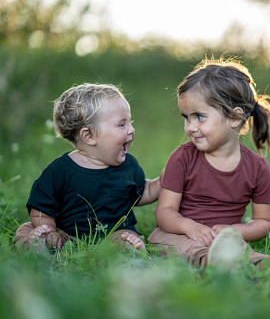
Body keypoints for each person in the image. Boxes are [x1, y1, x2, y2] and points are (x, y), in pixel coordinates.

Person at [148, 58, 270, 279]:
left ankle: (267, 266)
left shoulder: (256, 167)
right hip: (176, 235)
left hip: (224, 241)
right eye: (186, 118)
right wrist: (191, 228)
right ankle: (215, 264)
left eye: (199, 116)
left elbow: (264, 221)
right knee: (188, 249)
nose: (190, 127)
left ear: (235, 117)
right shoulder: (182, 158)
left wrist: (234, 231)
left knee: (239, 251)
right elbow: (164, 213)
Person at [14, 83, 161, 253]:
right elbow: (41, 209)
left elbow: (142, 192)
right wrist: (49, 229)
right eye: (122, 124)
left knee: (127, 239)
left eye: (130, 122)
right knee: (27, 230)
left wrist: (162, 182)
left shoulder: (128, 165)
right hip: (66, 235)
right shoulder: (60, 171)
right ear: (89, 136)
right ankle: (39, 251)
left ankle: (132, 255)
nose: (132, 129)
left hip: (113, 235)